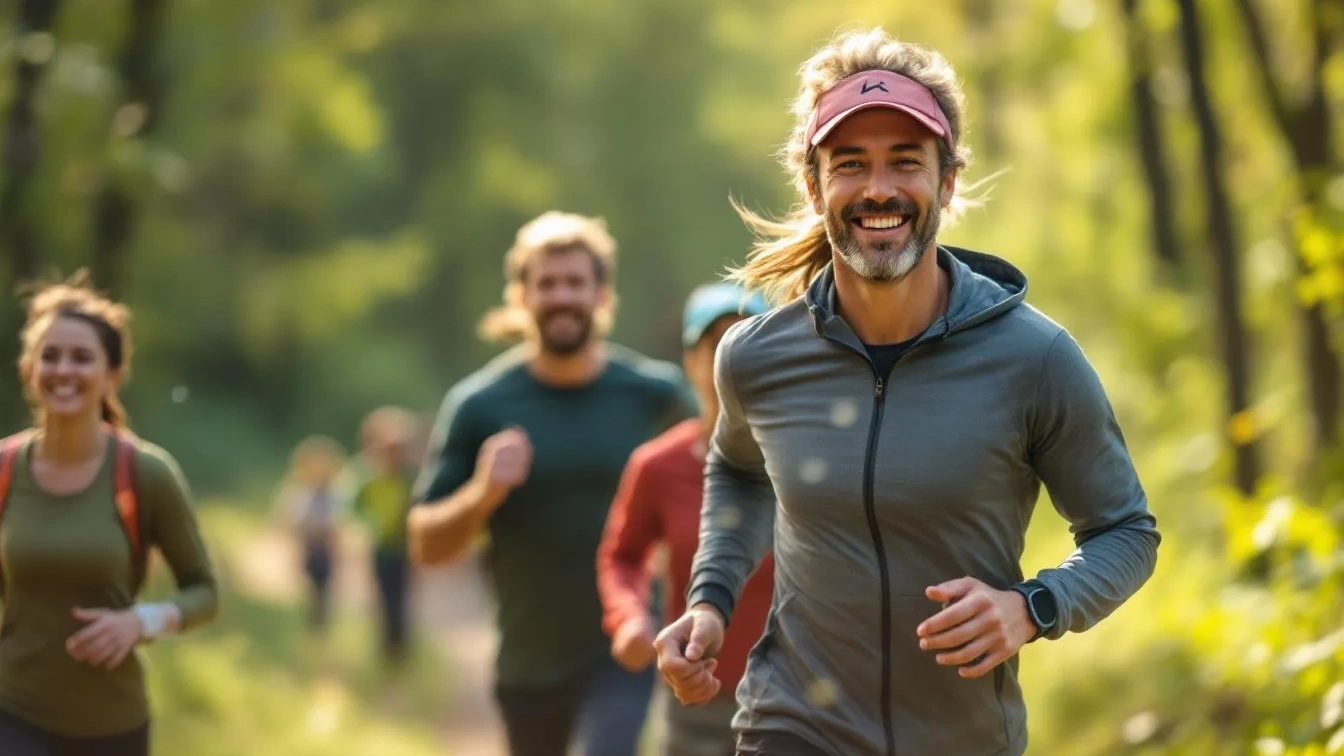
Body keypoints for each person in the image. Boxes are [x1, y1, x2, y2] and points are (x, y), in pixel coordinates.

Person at [653, 28, 1161, 756]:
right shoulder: (757, 357)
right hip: (790, 725)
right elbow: (737, 468)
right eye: (851, 164)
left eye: (906, 162)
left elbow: (1125, 531)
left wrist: (1033, 605)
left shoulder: (1033, 358)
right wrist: (710, 599)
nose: (879, 189)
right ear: (814, 183)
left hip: (962, 739)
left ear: (947, 180)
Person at [409, 211, 695, 756]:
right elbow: (426, 543)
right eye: (546, 284)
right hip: (527, 658)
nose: (561, 296)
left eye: (575, 283)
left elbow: (722, 485)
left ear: (602, 296)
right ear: (521, 297)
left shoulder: (655, 395)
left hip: (626, 642)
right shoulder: (480, 405)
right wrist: (483, 492)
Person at [0, 272, 219, 755]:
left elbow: (205, 591)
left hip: (111, 728)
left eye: (82, 358)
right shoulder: (5, 469)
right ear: (28, 368)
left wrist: (141, 621)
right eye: (50, 355)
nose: (64, 370)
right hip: (12, 713)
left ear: (112, 375)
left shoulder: (144, 473)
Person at [597, 282, 775, 756]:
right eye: (717, 344)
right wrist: (630, 618)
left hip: (796, 701)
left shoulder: (808, 459)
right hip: (696, 698)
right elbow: (623, 555)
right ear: (692, 361)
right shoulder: (657, 466)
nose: (732, 360)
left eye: (749, 342)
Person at [352, 406, 419, 666]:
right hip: (380, 548)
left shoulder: (408, 477)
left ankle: (401, 650)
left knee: (402, 599)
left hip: (404, 548)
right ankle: (386, 650)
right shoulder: (367, 477)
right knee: (383, 598)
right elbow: (356, 508)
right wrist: (371, 525)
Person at [273, 434, 349, 637]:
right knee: (311, 588)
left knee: (324, 588)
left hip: (326, 549)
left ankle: (321, 626)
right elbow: (290, 521)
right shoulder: (299, 492)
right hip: (310, 547)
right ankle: (314, 626)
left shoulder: (335, 493)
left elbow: (340, 523)